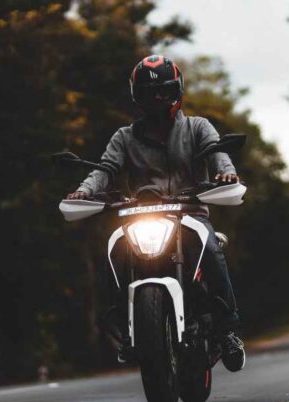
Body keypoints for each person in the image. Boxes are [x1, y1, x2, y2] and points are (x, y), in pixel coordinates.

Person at [65, 55, 245, 371]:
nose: (157, 98)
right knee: (113, 251)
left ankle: (228, 329)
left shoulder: (197, 127)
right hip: (140, 216)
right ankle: (124, 329)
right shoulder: (124, 137)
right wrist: (84, 191)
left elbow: (218, 155)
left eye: (163, 91)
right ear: (138, 96)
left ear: (176, 90)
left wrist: (226, 174)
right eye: (149, 93)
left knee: (212, 248)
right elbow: (105, 170)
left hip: (189, 214)